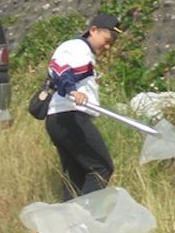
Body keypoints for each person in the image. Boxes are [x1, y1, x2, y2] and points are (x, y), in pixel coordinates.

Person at [45, 13, 123, 201]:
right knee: (101, 166)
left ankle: (68, 225)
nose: (107, 46)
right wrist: (72, 90)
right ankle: (85, 218)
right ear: (93, 30)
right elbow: (58, 69)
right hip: (69, 116)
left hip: (64, 118)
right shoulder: (75, 46)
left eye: (110, 43)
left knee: (76, 176)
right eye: (106, 40)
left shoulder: (85, 54)